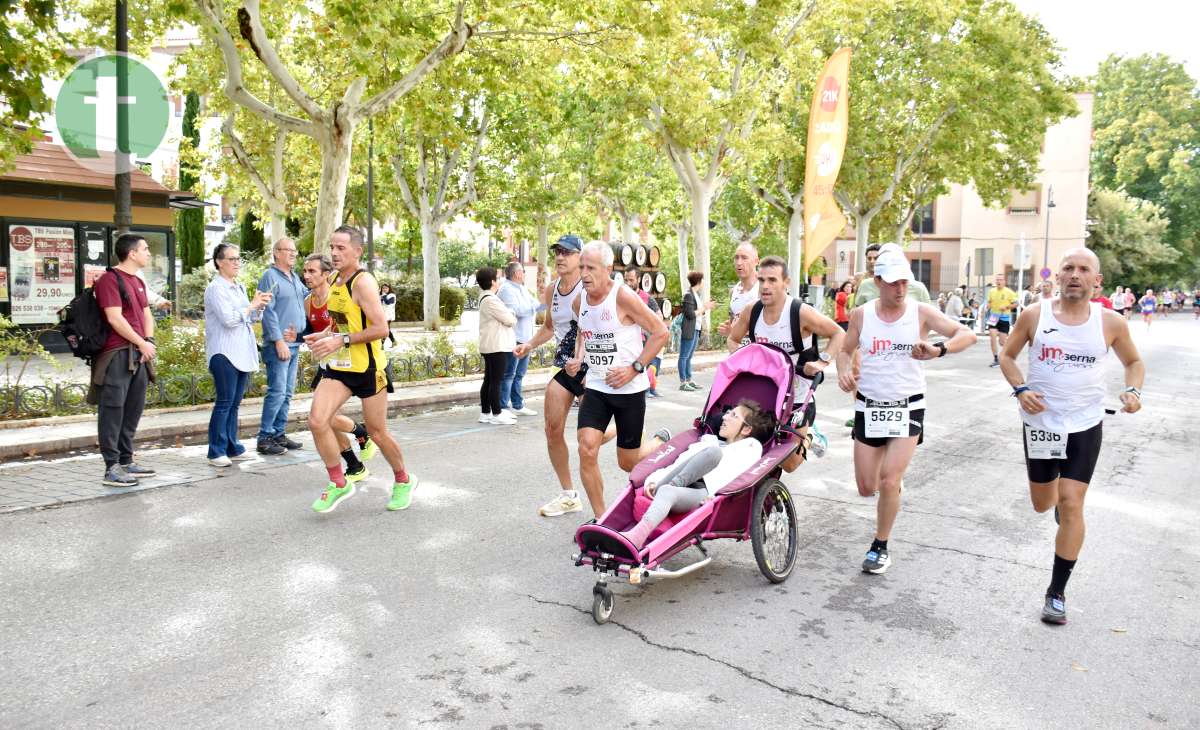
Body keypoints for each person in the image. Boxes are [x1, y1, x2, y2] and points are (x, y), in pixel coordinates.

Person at [999, 248, 1144, 625]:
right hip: (1041, 424)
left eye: (1084, 270)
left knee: (1073, 502)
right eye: (1069, 268)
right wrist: (1020, 388)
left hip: (1084, 422)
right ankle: (1059, 504)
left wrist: (1134, 391)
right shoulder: (1035, 314)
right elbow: (1008, 356)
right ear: (1058, 277)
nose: (1075, 274)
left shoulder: (1110, 322)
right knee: (1043, 503)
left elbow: (1134, 362)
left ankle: (1056, 593)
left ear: (1097, 281)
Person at [836, 246, 976, 574]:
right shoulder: (862, 314)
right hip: (869, 405)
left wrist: (938, 350)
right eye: (893, 282)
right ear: (877, 280)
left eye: (905, 282)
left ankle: (880, 546)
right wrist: (844, 371)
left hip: (908, 405)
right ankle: (892, 484)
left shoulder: (921, 312)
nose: (900, 289)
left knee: (888, 480)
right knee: (866, 487)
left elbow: (966, 334)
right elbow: (845, 350)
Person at [305, 225, 416, 514]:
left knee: (378, 432)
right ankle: (339, 482)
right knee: (318, 420)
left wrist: (339, 339)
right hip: (340, 367)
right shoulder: (335, 282)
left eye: (341, 248)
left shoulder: (363, 282)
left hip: (368, 368)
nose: (334, 252)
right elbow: (343, 322)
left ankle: (403, 479)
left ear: (357, 251)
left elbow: (380, 328)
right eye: (332, 247)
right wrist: (325, 335)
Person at [566, 241, 669, 516]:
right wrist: (579, 358)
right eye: (582, 268)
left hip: (629, 389)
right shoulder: (580, 301)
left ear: (608, 269)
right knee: (586, 449)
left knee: (628, 462)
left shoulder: (622, 296)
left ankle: (660, 443)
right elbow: (585, 332)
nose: (584, 274)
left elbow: (660, 332)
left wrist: (634, 368)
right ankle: (602, 518)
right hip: (598, 387)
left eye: (591, 268)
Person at [725, 255, 843, 470]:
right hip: (765, 390)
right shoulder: (752, 311)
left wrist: (822, 362)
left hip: (797, 392)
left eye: (772, 280)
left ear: (786, 283)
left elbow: (838, 333)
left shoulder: (800, 313)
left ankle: (811, 434)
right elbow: (732, 340)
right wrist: (745, 356)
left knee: (789, 464)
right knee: (752, 445)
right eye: (761, 280)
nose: (765, 286)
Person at [620, 400, 774, 548]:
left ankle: (637, 534)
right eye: (727, 412)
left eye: (733, 415)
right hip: (676, 480)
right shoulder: (707, 442)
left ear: (746, 429)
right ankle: (639, 529)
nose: (725, 417)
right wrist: (653, 481)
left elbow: (739, 478)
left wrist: (716, 494)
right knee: (709, 453)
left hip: (702, 492)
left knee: (671, 488)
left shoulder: (751, 447)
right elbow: (678, 464)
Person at [514, 234, 590, 517]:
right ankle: (569, 495)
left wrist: (584, 360)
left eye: (567, 252)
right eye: (557, 251)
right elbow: (549, 326)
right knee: (552, 429)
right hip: (565, 366)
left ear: (580, 257)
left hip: (591, 367)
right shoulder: (553, 290)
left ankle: (627, 426)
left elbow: (593, 326)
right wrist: (529, 345)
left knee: (591, 437)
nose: (560, 256)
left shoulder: (588, 287)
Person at [301, 253, 377, 483]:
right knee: (324, 419)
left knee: (324, 418)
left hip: (349, 362)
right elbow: (309, 332)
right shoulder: (307, 302)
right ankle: (354, 463)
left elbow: (346, 329)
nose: (307, 276)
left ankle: (361, 433)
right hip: (327, 363)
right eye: (304, 271)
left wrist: (334, 341)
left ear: (326, 274)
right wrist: (297, 337)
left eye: (312, 271)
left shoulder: (337, 296)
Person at [90, 234, 156, 487]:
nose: (149, 253)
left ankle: (126, 460)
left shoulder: (137, 281)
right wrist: (141, 343)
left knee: (133, 408)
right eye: (145, 249)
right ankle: (111, 467)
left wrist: (148, 341)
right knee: (113, 409)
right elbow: (115, 318)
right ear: (131, 253)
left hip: (139, 353)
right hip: (117, 353)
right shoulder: (109, 280)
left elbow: (146, 313)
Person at [205, 243, 272, 467]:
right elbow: (228, 319)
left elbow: (250, 318)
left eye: (238, 259)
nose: (236, 263)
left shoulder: (239, 287)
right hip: (223, 352)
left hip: (242, 352)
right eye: (231, 259)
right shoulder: (216, 288)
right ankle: (216, 451)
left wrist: (259, 306)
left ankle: (232, 446)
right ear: (219, 262)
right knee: (224, 402)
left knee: (234, 403)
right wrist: (251, 306)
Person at [256, 238, 307, 455]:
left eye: (295, 251)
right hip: (279, 345)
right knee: (277, 392)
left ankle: (278, 433)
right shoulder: (270, 276)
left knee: (287, 393)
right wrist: (278, 341)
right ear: (276, 253)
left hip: (295, 343)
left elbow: (309, 297)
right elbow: (268, 311)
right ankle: (264, 437)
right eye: (288, 250)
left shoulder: (294, 277)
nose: (293, 254)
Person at [477, 266, 518, 425]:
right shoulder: (491, 299)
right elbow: (510, 320)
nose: (500, 280)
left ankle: (486, 413)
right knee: (496, 381)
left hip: (491, 345)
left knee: (489, 380)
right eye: (498, 278)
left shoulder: (485, 297)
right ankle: (496, 413)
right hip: (496, 346)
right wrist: (511, 313)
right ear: (493, 281)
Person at [498, 261, 539, 416]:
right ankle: (502, 407)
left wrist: (544, 303)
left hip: (526, 339)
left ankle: (517, 404)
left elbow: (535, 304)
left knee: (520, 374)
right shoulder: (506, 289)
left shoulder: (522, 288)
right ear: (516, 273)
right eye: (523, 271)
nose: (524, 274)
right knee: (509, 374)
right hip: (514, 338)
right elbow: (517, 311)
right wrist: (534, 306)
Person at [624, 268, 664, 398]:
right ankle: (642, 390)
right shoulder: (621, 296)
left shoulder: (647, 298)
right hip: (625, 340)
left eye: (631, 280)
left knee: (645, 365)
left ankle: (648, 389)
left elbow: (659, 316)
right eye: (626, 280)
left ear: (639, 279)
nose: (628, 283)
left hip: (642, 338)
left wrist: (646, 323)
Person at [852, 243, 932, 307]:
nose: (900, 290)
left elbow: (929, 318)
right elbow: (857, 311)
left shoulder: (919, 288)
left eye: (904, 283)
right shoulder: (865, 284)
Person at [717, 242, 760, 343]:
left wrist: (736, 331)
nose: (739, 262)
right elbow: (734, 324)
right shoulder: (733, 291)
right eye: (736, 258)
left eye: (744, 258)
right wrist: (728, 330)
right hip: (740, 351)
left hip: (761, 351)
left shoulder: (765, 288)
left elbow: (774, 325)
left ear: (756, 261)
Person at [678, 271, 715, 390]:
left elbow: (698, 312)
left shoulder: (695, 294)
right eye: (703, 279)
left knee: (689, 357)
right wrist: (704, 307)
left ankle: (689, 380)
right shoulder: (688, 294)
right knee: (684, 356)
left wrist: (705, 307)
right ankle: (683, 382)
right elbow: (689, 314)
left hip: (696, 329)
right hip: (689, 329)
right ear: (699, 281)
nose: (704, 281)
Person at [986, 273, 1018, 367]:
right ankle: (996, 358)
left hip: (1004, 318)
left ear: (1004, 281)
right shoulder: (992, 291)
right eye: (997, 280)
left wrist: (1007, 306)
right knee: (992, 336)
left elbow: (1016, 304)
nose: (998, 281)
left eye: (1000, 280)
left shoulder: (1009, 292)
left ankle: (1009, 356)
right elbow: (989, 302)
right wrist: (988, 305)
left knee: (1002, 342)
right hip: (993, 317)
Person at [379, 283, 397, 348]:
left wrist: (383, 295)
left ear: (389, 289)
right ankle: (393, 341)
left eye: (386, 288)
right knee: (386, 329)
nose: (384, 289)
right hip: (382, 315)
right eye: (383, 288)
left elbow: (387, 302)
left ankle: (382, 344)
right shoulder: (381, 296)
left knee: (385, 329)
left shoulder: (392, 295)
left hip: (389, 315)